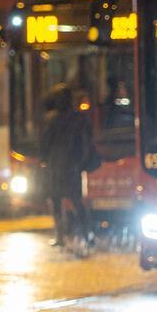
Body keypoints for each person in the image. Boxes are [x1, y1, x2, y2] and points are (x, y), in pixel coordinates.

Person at [43, 83, 97, 251]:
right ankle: (87, 234)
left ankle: (60, 236)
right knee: (76, 200)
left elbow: (46, 142)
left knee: (56, 200)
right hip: (73, 165)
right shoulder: (79, 118)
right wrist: (81, 162)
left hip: (56, 165)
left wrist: (44, 159)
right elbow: (86, 142)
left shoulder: (52, 119)